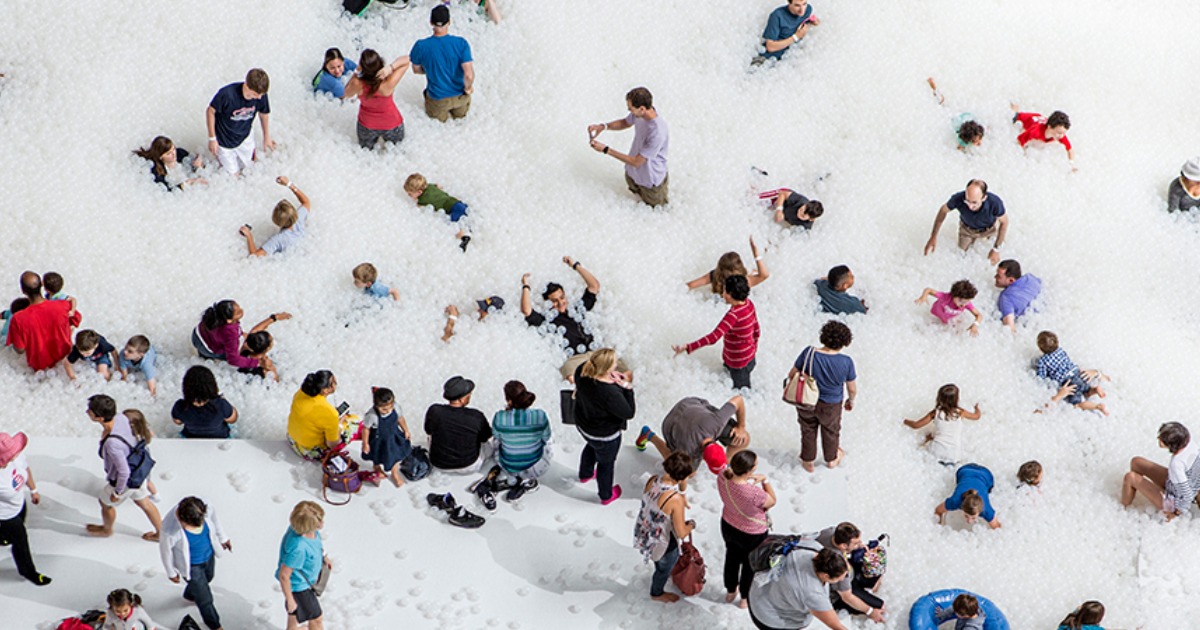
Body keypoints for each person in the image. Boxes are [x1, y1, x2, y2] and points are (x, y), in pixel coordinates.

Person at [522, 256, 625, 381]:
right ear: (547, 303)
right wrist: (526, 286)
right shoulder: (547, 320)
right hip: (576, 359)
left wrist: (575, 265)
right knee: (570, 374)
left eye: (562, 297)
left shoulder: (577, 309)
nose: (560, 303)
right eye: (554, 301)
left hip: (595, 352)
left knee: (623, 368)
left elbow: (594, 286)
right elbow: (526, 311)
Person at [85, 396, 163, 541]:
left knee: (105, 503)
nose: (87, 412)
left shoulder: (112, 444)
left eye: (90, 411)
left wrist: (118, 492)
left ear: (100, 418)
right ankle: (160, 532)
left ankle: (106, 530)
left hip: (127, 480)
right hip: (138, 472)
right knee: (145, 502)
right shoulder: (121, 417)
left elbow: (124, 472)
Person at [790, 321, 857, 472]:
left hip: (806, 401)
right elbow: (852, 389)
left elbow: (792, 374)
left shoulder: (808, 353)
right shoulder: (846, 362)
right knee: (831, 431)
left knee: (808, 430)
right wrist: (850, 401)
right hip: (831, 405)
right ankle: (832, 459)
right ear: (845, 342)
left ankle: (808, 461)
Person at [587, 87, 670, 206]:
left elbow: (637, 162)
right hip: (632, 174)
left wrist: (606, 150)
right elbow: (625, 122)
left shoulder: (657, 132)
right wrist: (602, 127)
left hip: (651, 183)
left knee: (657, 210)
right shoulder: (640, 115)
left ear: (642, 109)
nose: (629, 111)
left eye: (631, 109)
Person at [674, 275, 760, 389]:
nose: (722, 294)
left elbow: (713, 338)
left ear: (731, 295)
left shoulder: (733, 316)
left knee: (742, 391)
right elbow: (757, 329)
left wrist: (688, 347)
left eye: (724, 291)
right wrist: (753, 348)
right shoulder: (749, 304)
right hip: (749, 357)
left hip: (738, 364)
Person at [574, 349, 636, 505]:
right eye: (615, 363)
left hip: (584, 425)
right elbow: (628, 412)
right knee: (606, 464)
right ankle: (606, 495)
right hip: (605, 435)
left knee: (591, 446)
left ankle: (585, 474)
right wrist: (627, 389)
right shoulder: (610, 393)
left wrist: (612, 377)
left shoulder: (582, 370)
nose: (617, 364)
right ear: (608, 368)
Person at [633, 452, 696, 603]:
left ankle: (661, 571)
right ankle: (657, 593)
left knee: (659, 562)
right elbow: (681, 532)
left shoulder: (653, 479)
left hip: (645, 531)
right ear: (682, 477)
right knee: (663, 569)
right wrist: (691, 525)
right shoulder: (674, 499)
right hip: (662, 542)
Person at [159, 496, 231, 630]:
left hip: (208, 556)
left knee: (209, 577)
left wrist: (223, 537)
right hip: (192, 567)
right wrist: (171, 572)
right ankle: (215, 625)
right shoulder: (170, 530)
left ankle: (190, 594)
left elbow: (215, 521)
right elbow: (165, 551)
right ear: (182, 519)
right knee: (205, 599)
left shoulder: (205, 507)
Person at [717, 450, 774, 608]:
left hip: (728, 524)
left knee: (732, 558)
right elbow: (771, 501)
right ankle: (744, 597)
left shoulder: (722, 477)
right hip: (752, 533)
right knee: (750, 565)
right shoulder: (754, 493)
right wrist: (765, 480)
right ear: (749, 471)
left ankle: (730, 591)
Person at [747, 547, 850, 630]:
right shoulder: (813, 594)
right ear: (826, 576)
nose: (842, 580)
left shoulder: (812, 548)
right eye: (839, 578)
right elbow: (837, 626)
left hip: (760, 591)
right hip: (770, 617)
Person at [638, 395, 750, 468]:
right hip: (671, 424)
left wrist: (741, 426)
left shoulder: (717, 422)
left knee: (743, 439)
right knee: (685, 470)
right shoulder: (689, 450)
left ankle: (727, 463)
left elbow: (738, 399)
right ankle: (649, 435)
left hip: (693, 405)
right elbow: (678, 474)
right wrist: (682, 492)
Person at [1121, 422, 1200, 521]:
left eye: (1162, 439)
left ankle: (1122, 509)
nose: (1158, 438)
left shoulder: (1176, 464)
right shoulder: (1189, 442)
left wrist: (1176, 513)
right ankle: (1135, 489)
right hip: (1175, 485)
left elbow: (1187, 495)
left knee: (1130, 477)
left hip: (1175, 503)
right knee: (1136, 462)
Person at [191, 300, 291, 378]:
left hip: (197, 333)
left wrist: (274, 318)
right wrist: (259, 363)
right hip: (205, 346)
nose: (242, 310)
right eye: (238, 312)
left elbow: (255, 330)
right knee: (215, 354)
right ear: (229, 320)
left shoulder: (217, 315)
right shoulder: (232, 336)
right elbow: (233, 360)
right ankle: (206, 356)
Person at [0, 432, 50, 586]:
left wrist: (33, 490)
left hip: (19, 506)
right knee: (21, 542)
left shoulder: (17, 458)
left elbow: (25, 470)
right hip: (5, 517)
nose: (17, 454)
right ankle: (28, 572)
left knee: (13, 532)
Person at [6, 271, 82, 371]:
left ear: (23, 291)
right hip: (66, 361)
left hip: (39, 367)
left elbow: (20, 349)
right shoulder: (63, 306)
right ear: (42, 284)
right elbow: (77, 320)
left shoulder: (18, 319)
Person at [410, 5, 475, 122]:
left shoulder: (420, 46)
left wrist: (431, 69)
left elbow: (416, 70)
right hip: (460, 98)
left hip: (437, 100)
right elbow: (469, 75)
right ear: (449, 22)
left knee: (438, 125)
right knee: (461, 121)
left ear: (431, 22)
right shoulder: (461, 44)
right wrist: (468, 88)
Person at [489, 380, 551, 501]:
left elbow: (497, 436)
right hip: (537, 467)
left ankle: (513, 478)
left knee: (498, 439)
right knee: (546, 437)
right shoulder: (540, 415)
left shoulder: (499, 417)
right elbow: (546, 437)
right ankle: (527, 481)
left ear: (508, 400)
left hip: (507, 465)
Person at [923, 180, 1008, 265]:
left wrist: (996, 249)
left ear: (984, 198)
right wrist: (933, 236)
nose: (970, 206)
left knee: (994, 259)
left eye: (974, 202)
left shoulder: (994, 203)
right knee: (960, 256)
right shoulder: (959, 198)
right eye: (967, 201)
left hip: (989, 229)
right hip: (967, 230)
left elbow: (1004, 222)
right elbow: (943, 210)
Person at [206, 68, 274, 175]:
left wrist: (267, 136)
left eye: (261, 95)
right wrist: (212, 138)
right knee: (234, 176)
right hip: (224, 141)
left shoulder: (261, 96)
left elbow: (264, 114)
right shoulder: (227, 94)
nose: (259, 97)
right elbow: (210, 111)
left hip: (245, 136)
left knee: (250, 168)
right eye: (256, 94)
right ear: (247, 86)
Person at [816, 522, 886, 623]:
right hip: (840, 592)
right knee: (880, 606)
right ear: (844, 545)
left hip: (849, 571)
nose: (860, 543)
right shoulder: (837, 564)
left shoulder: (830, 532)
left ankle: (870, 586)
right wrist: (870, 611)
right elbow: (847, 597)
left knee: (874, 569)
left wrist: (859, 546)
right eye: (856, 543)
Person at [276, 501, 330, 630]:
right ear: (307, 526)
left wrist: (324, 555)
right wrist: (290, 600)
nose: (322, 524)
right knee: (316, 619)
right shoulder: (298, 547)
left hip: (305, 581)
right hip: (300, 587)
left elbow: (316, 543)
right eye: (318, 523)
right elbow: (284, 575)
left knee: (294, 615)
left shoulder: (306, 530)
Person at [424, 376, 492, 472]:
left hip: (439, 464)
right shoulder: (476, 416)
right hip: (469, 466)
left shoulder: (434, 411)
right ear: (462, 399)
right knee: (487, 446)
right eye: (469, 395)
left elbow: (428, 430)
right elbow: (485, 437)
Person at [287, 371, 359, 461]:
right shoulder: (330, 413)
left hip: (292, 440)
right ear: (325, 390)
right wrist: (339, 424)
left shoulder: (301, 392)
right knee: (355, 421)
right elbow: (332, 444)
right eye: (334, 383)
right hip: (309, 451)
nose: (336, 384)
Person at [344, 50, 409, 149]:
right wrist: (390, 67)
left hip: (367, 126)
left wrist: (356, 72)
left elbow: (345, 93)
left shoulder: (357, 84)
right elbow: (407, 60)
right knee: (397, 152)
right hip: (392, 123)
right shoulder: (388, 83)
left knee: (366, 154)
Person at [903, 384, 981, 466]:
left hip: (936, 451)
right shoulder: (960, 412)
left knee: (927, 438)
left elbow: (916, 425)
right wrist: (977, 408)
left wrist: (905, 421)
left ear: (939, 398)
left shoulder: (935, 412)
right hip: (954, 455)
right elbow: (977, 416)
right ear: (957, 399)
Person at [1035, 331, 1109, 415]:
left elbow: (1041, 377)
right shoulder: (1060, 350)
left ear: (1040, 348)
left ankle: (1097, 406)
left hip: (1069, 382)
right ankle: (1095, 389)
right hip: (1078, 374)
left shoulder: (1042, 361)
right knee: (1086, 390)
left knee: (1076, 404)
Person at [240, 177, 312, 257]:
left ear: (276, 221)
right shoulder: (299, 218)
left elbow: (254, 256)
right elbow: (306, 202)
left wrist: (249, 236)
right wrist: (289, 184)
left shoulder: (278, 239)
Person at [403, 173, 471, 250]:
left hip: (453, 209)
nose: (409, 196)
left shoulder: (422, 200)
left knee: (455, 227)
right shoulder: (430, 186)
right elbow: (437, 186)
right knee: (466, 219)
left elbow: (418, 206)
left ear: (419, 192)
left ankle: (464, 238)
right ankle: (469, 229)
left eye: (410, 194)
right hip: (458, 203)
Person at [361, 387, 413, 487]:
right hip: (378, 440)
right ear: (376, 406)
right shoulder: (372, 415)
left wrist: (406, 430)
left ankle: (394, 473)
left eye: (391, 407)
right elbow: (366, 429)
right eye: (384, 409)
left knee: (396, 456)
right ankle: (377, 468)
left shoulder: (396, 408)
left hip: (394, 437)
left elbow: (400, 419)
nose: (388, 411)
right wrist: (365, 443)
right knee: (376, 455)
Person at [172, 366, 238, 439]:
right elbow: (233, 419)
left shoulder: (180, 406)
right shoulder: (220, 405)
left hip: (191, 438)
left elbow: (178, 422)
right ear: (212, 386)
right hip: (219, 437)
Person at [685, 238, 770, 293]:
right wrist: (756, 254)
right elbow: (764, 275)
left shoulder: (715, 276)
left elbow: (690, 285)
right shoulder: (743, 282)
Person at [935, 463, 1001, 529]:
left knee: (989, 490)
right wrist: (939, 526)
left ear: (980, 511)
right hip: (965, 470)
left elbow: (997, 528)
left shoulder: (986, 510)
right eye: (966, 516)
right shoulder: (955, 501)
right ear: (962, 506)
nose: (969, 521)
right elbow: (938, 511)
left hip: (986, 475)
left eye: (973, 517)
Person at [926, 78, 985, 150]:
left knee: (944, 101)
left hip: (962, 114)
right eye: (974, 141)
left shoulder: (979, 130)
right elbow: (959, 147)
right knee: (941, 102)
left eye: (980, 138)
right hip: (953, 117)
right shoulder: (963, 141)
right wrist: (962, 148)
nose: (979, 143)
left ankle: (935, 88)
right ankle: (933, 87)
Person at [134, 136, 206, 190]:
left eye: (173, 149)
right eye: (168, 153)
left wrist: (199, 163)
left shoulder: (180, 153)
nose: (174, 154)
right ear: (160, 157)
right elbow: (166, 189)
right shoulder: (156, 170)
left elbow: (196, 166)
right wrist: (188, 183)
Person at [914, 280, 982, 335]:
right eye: (960, 301)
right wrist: (923, 297)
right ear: (953, 295)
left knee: (957, 331)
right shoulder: (945, 297)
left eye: (967, 301)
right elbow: (928, 290)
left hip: (948, 320)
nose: (963, 305)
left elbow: (979, 315)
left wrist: (975, 325)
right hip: (935, 315)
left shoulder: (967, 304)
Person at [994, 259, 1042, 332]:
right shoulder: (1030, 278)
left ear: (1011, 280)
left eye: (999, 276)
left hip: (1031, 328)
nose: (995, 277)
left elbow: (1009, 329)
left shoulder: (1006, 297)